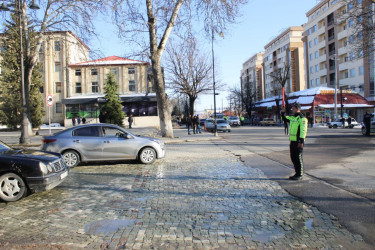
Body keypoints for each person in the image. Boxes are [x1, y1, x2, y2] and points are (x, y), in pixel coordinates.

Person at [281, 102, 308, 180]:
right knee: (293, 157)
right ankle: (296, 172)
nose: (292, 109)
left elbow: (303, 130)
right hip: (292, 141)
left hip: (298, 141)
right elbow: (285, 119)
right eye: (292, 108)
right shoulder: (293, 118)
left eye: (293, 108)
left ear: (298, 109)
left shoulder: (302, 119)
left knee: (298, 157)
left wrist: (301, 141)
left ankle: (300, 174)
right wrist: (283, 112)